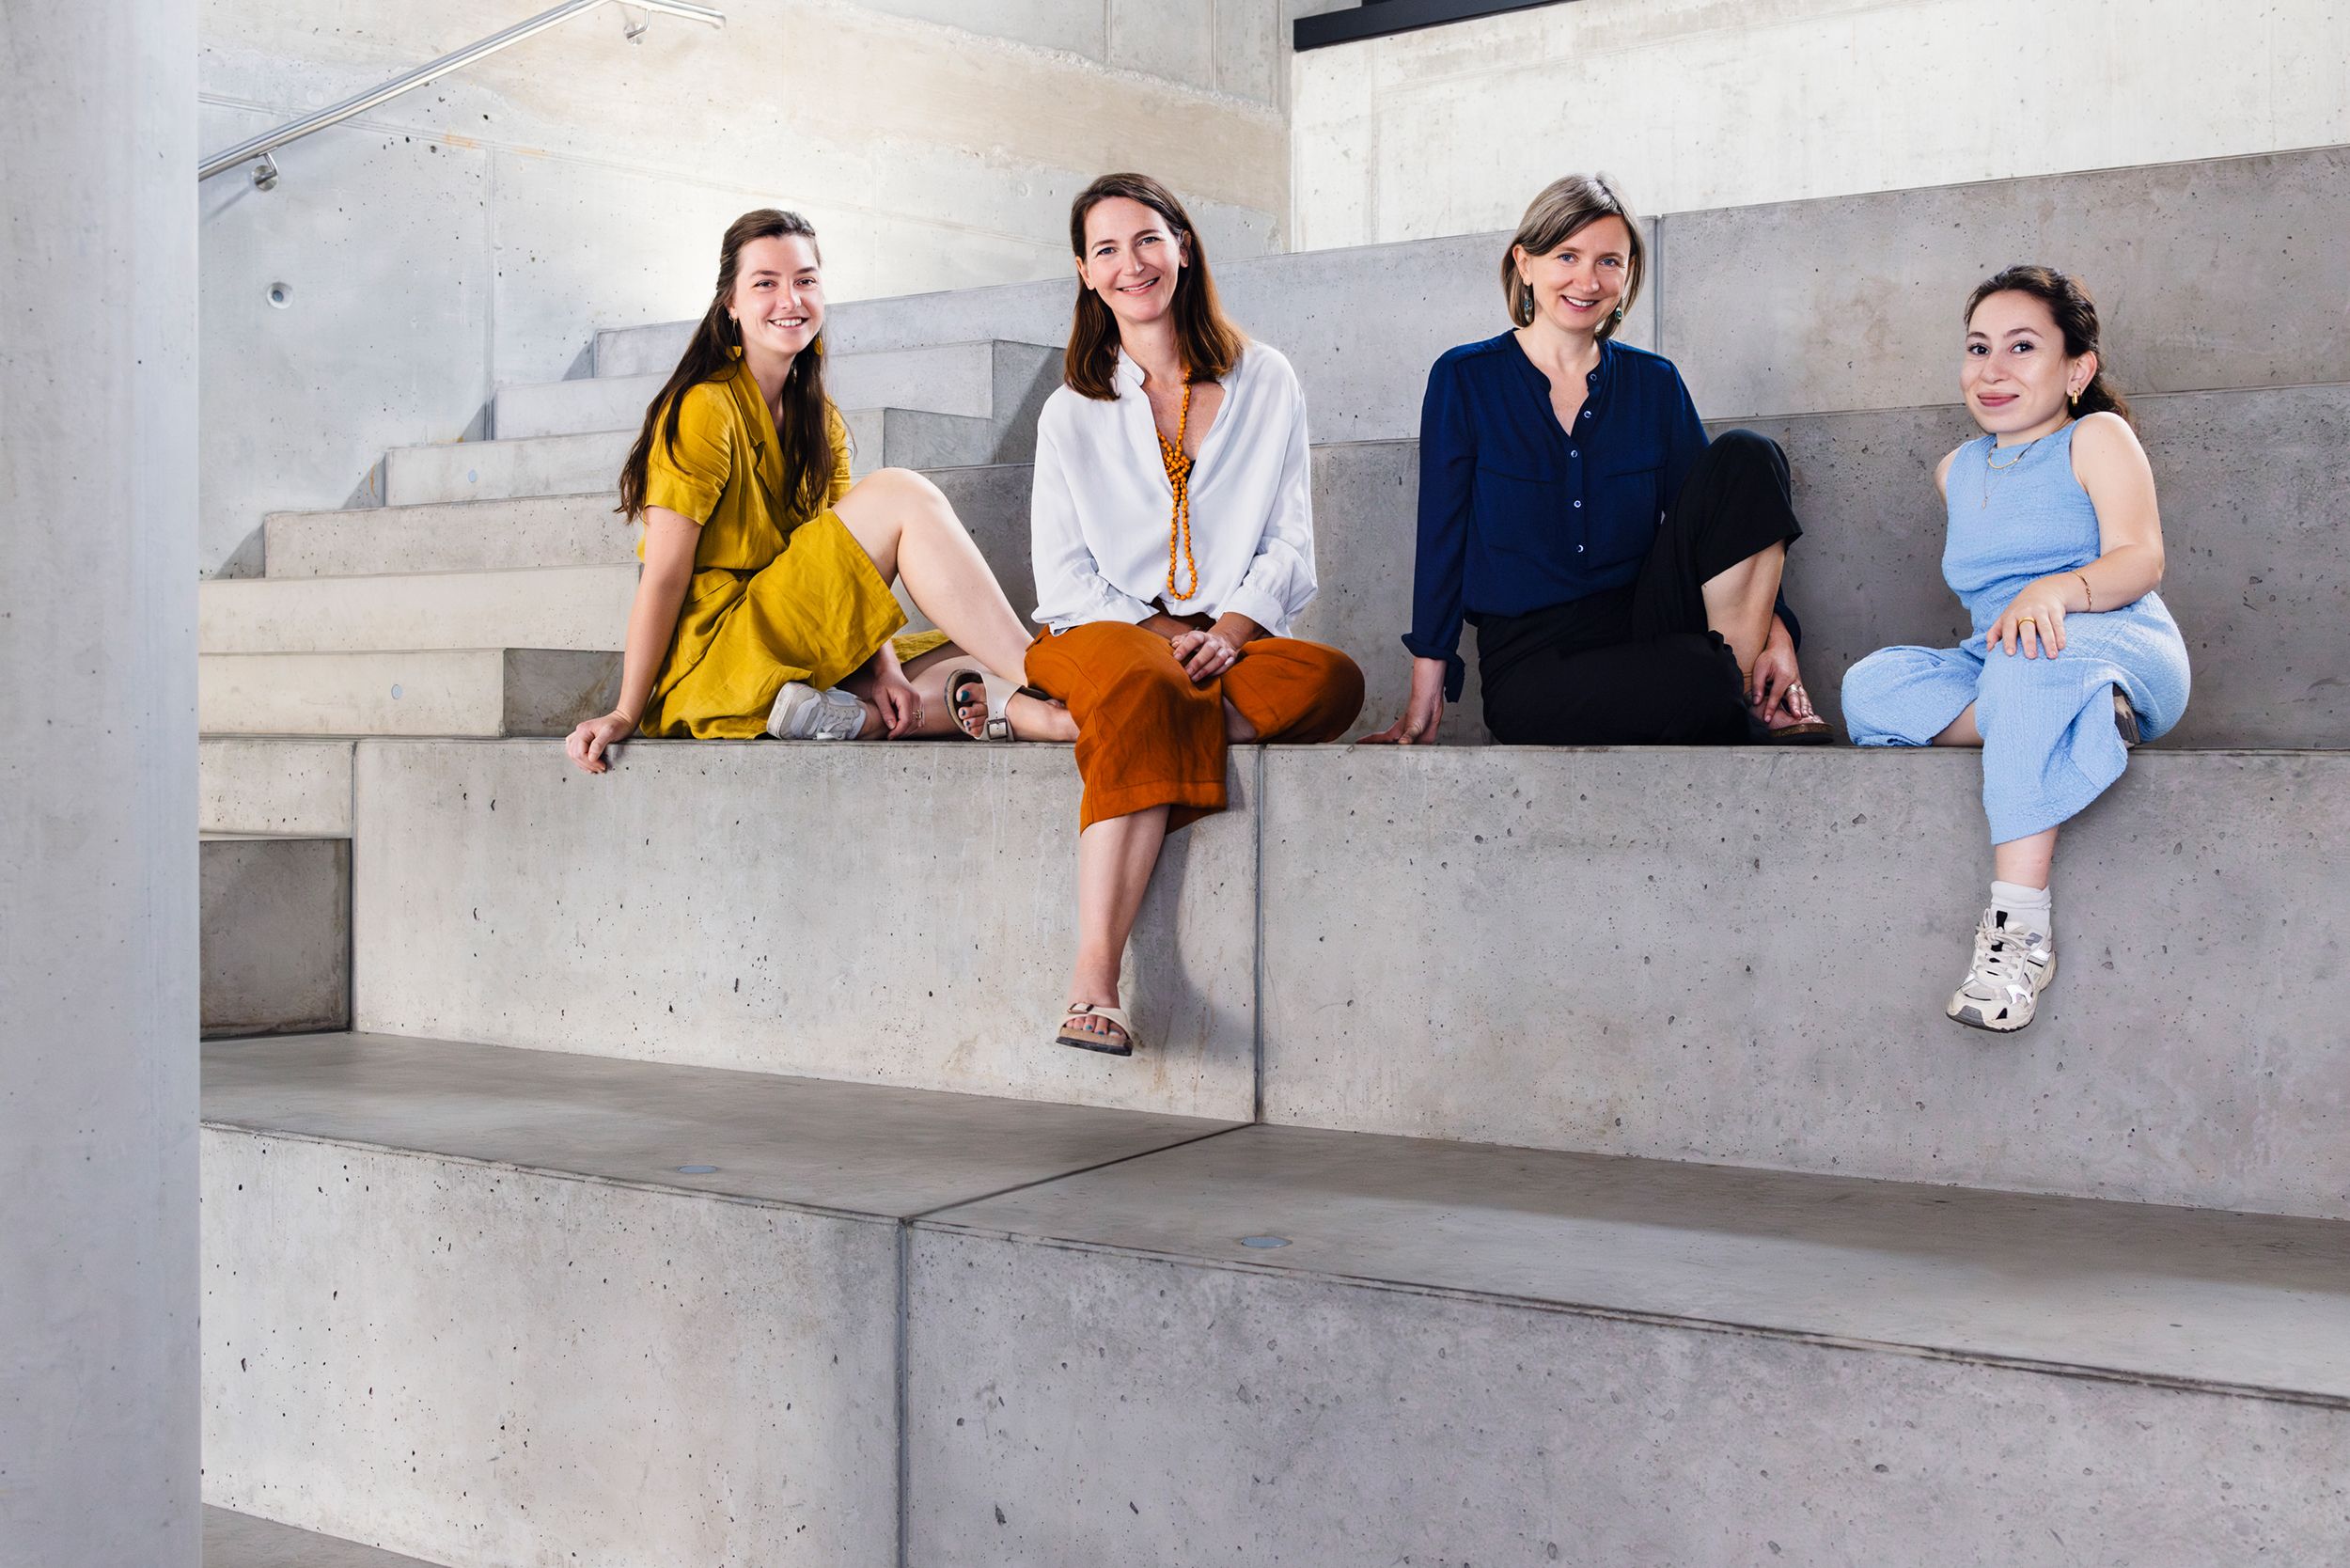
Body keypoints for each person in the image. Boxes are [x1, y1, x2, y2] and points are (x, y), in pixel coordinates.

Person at [1025, 172, 1365, 1057]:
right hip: (1103, 633)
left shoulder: (1268, 378)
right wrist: (1172, 640)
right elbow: (1061, 578)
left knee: (1330, 681)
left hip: (1228, 641)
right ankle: (1094, 980)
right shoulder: (1070, 412)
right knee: (1141, 681)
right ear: (1085, 274)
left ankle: (1067, 726)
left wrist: (1229, 634)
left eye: (1147, 239)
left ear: (1182, 244)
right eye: (1107, 249)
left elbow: (1291, 547)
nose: (1131, 263)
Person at [564, 208, 1072, 773]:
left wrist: (884, 671)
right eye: (766, 284)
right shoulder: (706, 408)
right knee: (902, 493)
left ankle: (868, 716)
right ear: (729, 304)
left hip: (793, 639)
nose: (791, 300)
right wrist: (625, 711)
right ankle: (1050, 687)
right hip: (722, 654)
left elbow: (852, 571)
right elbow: (663, 577)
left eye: (805, 280)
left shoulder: (818, 418)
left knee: (970, 648)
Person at [1365, 173, 1829, 747]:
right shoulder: (1465, 378)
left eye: (1609, 261)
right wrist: (1426, 684)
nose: (1588, 280)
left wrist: (1778, 637)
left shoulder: (1654, 383)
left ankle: (1745, 690)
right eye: (1567, 255)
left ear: (1628, 273)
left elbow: (1722, 525)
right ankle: (1727, 694)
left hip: (1645, 620)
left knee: (1748, 456)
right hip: (1535, 657)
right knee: (1701, 676)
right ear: (1525, 263)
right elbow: (1441, 537)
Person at [1841, 266, 2189, 1032]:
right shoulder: (1956, 470)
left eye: (2022, 347)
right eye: (1977, 348)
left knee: (2030, 662)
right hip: (2000, 656)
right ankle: (2071, 715)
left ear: (2077, 369)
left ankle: (2018, 933)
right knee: (1870, 687)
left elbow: (2141, 558)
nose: (1991, 371)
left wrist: (2056, 590)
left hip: (2112, 633)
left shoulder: (2096, 436)